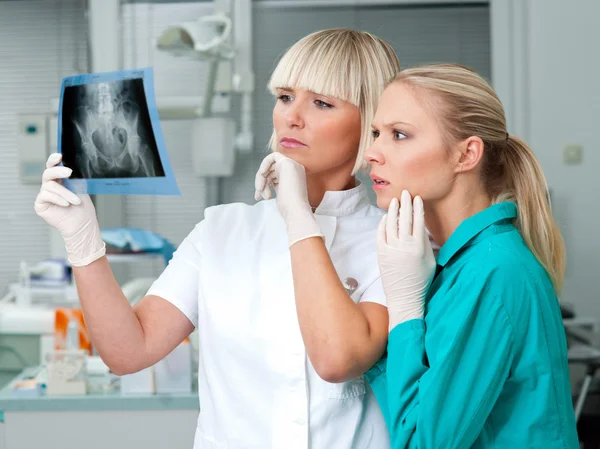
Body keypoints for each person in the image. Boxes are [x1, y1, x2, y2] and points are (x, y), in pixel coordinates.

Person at [34, 29, 400, 449]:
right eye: (284, 97)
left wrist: (298, 214)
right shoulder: (221, 231)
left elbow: (337, 359)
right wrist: (83, 241)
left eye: (321, 103)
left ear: (370, 123)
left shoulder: (392, 240)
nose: (291, 117)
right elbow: (128, 351)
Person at [362, 63, 579, 448]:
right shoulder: (463, 264)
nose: (372, 153)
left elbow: (421, 444)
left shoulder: (492, 272)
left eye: (399, 134)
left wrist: (405, 312)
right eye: (377, 133)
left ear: (466, 155)